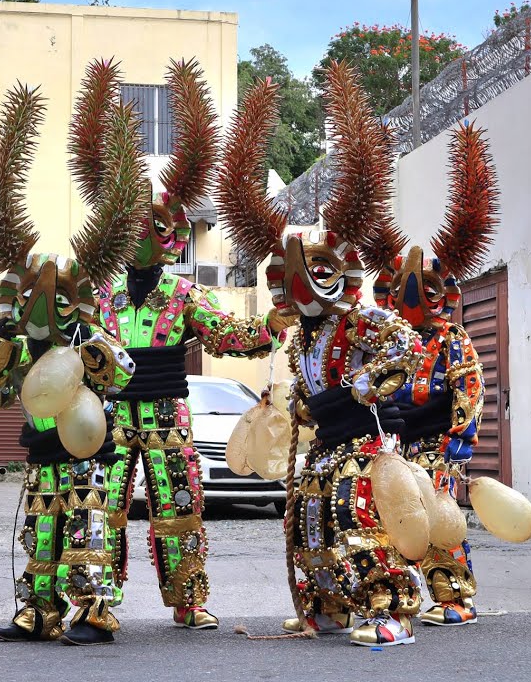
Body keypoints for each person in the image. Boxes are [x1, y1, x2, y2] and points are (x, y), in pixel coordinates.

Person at [217, 62, 425, 647]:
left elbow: (407, 348)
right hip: (327, 441)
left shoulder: (362, 320)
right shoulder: (305, 335)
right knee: (307, 518)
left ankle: (388, 611)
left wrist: (363, 388)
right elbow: (304, 381)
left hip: (365, 439)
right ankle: (327, 607)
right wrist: (297, 407)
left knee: (356, 513)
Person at [91, 58, 290, 630]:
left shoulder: (182, 294)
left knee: (180, 511)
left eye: (152, 230)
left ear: (173, 238)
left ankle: (188, 601)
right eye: (130, 228)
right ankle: (99, 600)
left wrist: (269, 326)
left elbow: (229, 333)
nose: (140, 238)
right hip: (109, 415)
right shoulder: (101, 291)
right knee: (103, 511)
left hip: (168, 415)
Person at [0, 73, 146, 646]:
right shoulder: (17, 344)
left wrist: (91, 335)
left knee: (88, 529)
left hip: (92, 453)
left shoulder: (88, 334)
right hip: (41, 452)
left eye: (61, 297)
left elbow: (123, 375)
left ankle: (93, 611)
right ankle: (37, 611)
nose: (44, 307)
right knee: (41, 530)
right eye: (30, 297)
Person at [371, 119, 499, 627]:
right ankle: (396, 598)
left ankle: (455, 598)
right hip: (395, 445)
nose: (409, 298)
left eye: (419, 287)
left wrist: (458, 446)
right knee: (392, 522)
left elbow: (471, 391)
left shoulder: (453, 339)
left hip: (437, 445)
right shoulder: (385, 336)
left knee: (444, 523)